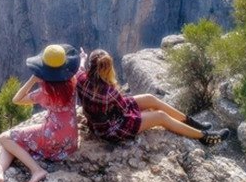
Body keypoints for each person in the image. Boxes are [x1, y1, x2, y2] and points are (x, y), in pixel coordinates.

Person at [0, 44, 80, 182]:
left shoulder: (44, 93)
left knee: (4, 138)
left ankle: (36, 170)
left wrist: (33, 79)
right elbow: (80, 71)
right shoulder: (73, 82)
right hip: (71, 141)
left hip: (52, 138)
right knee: (14, 141)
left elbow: (17, 99)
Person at [76, 48, 229, 145]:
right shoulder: (110, 91)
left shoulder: (81, 78)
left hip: (100, 122)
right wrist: (147, 116)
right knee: (161, 116)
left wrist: (82, 57)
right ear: (108, 67)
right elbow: (124, 112)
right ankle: (204, 136)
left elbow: (80, 68)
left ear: (92, 65)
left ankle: (192, 123)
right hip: (112, 129)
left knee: (150, 98)